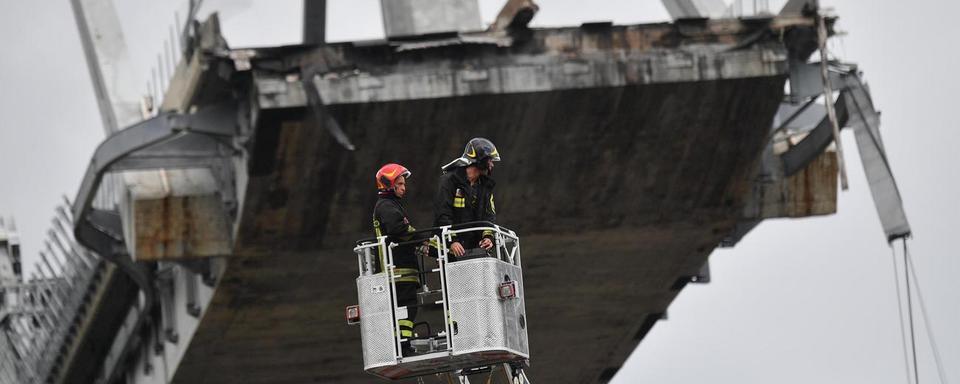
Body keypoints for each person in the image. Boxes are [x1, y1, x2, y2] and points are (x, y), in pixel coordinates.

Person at [372, 163, 422, 351]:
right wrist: (423, 239)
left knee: (405, 308)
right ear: (389, 185)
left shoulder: (390, 205)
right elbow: (399, 229)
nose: (404, 188)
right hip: (398, 268)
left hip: (399, 268)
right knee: (407, 307)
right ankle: (403, 344)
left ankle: (402, 343)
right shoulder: (386, 206)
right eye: (399, 184)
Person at [434, 138, 500, 258]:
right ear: (481, 160)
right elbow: (443, 214)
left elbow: (489, 216)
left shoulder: (486, 186)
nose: (492, 164)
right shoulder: (449, 181)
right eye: (490, 160)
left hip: (476, 249)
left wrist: (488, 238)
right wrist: (452, 241)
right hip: (452, 250)